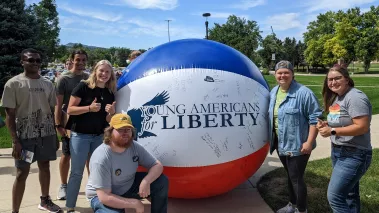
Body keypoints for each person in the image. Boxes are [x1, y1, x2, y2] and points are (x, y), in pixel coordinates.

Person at [1, 48, 61, 213]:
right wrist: (15, 141)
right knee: (22, 172)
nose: (34, 63)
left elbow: (50, 111)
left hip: (46, 135)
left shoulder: (48, 84)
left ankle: (45, 200)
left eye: (37, 60)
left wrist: (55, 135)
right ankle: (15, 210)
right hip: (25, 138)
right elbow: (9, 116)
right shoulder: (14, 84)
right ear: (22, 62)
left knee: (45, 166)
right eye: (30, 60)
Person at [268, 60, 322, 213]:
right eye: (279, 72)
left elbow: (315, 119)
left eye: (286, 72)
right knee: (291, 176)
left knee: (296, 178)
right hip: (280, 143)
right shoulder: (274, 92)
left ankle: (302, 209)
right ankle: (292, 205)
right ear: (275, 75)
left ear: (292, 74)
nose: (282, 75)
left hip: (299, 145)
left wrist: (309, 142)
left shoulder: (304, 93)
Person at [86, 113, 169, 213]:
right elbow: (104, 197)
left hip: (128, 186)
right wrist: (134, 203)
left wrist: (146, 181)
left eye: (128, 129)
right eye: (120, 129)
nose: (125, 133)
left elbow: (157, 165)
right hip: (101, 195)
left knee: (161, 181)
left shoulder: (134, 146)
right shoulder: (101, 157)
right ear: (110, 132)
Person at [317, 64, 372, 213]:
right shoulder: (338, 98)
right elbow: (342, 119)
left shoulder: (355, 97)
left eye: (337, 78)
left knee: (334, 197)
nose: (333, 82)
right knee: (349, 195)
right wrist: (327, 123)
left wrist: (332, 131)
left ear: (347, 79)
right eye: (330, 80)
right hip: (339, 152)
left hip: (355, 153)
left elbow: (362, 127)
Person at [65, 60, 117, 212]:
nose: (104, 74)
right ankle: (70, 206)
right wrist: (89, 108)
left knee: (98, 171)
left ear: (111, 75)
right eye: (101, 71)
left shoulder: (110, 93)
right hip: (80, 135)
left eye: (107, 72)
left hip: (98, 136)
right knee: (76, 172)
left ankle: (97, 202)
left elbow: (108, 120)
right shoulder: (83, 86)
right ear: (95, 71)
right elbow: (70, 110)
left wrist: (111, 113)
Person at [55, 49, 89, 200]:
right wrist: (58, 124)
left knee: (88, 155)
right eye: (78, 60)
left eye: (83, 60)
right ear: (72, 60)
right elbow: (58, 104)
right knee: (66, 154)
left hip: (85, 123)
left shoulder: (88, 78)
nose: (80, 63)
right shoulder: (64, 79)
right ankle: (63, 185)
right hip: (67, 123)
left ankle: (92, 185)